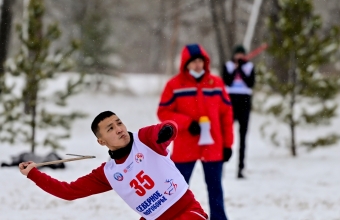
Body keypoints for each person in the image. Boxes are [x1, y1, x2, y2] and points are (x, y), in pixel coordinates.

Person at [19, 111, 208, 220]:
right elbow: (68, 191)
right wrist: (33, 174)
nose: (119, 129)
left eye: (119, 123)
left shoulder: (144, 139)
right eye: (111, 128)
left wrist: (168, 130)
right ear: (101, 141)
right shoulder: (108, 173)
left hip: (188, 212)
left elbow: (167, 126)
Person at [157, 44, 234, 220]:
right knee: (178, 189)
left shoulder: (216, 84)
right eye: (193, 62)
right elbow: (163, 112)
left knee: (215, 188)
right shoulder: (174, 85)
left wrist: (228, 145)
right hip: (185, 146)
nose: (198, 65)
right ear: (185, 64)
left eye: (200, 61)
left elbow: (226, 115)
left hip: (213, 146)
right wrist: (186, 123)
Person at [222, 45, 255, 179]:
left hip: (245, 102)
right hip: (230, 102)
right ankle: (221, 166)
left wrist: (241, 69)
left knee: (243, 138)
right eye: (238, 54)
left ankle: (240, 168)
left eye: (242, 54)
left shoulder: (249, 67)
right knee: (226, 136)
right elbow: (227, 82)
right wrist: (236, 68)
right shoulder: (228, 66)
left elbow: (250, 83)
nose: (239, 57)